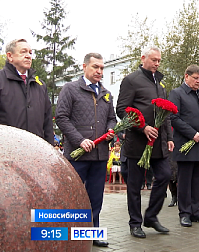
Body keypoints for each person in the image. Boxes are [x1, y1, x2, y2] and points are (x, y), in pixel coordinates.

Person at [55, 53, 116, 247]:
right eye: (95, 67)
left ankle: (92, 232)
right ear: (84, 67)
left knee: (95, 197)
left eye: (101, 68)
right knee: (73, 195)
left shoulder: (106, 93)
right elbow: (62, 118)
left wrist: (110, 129)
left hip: (99, 155)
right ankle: (68, 233)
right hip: (77, 156)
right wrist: (80, 140)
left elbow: (112, 118)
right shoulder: (70, 89)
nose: (99, 71)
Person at [116, 46, 173, 238]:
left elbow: (165, 115)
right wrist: (142, 127)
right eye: (154, 60)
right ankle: (135, 223)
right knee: (135, 185)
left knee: (165, 175)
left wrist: (169, 138)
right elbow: (122, 110)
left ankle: (151, 216)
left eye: (159, 61)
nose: (157, 63)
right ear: (143, 58)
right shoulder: (131, 80)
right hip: (137, 143)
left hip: (158, 144)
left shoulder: (160, 84)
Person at [169, 64, 199, 227]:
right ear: (186, 76)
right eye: (195, 78)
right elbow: (174, 118)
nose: (198, 81)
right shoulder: (177, 94)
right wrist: (192, 133)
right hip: (185, 146)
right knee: (185, 182)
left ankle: (196, 211)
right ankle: (185, 213)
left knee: (197, 181)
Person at [0, 39, 53, 144]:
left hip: (37, 149)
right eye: (23, 52)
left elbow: (47, 123)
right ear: (10, 56)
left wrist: (50, 148)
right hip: (7, 150)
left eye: (30, 52)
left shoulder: (40, 86)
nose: (28, 56)